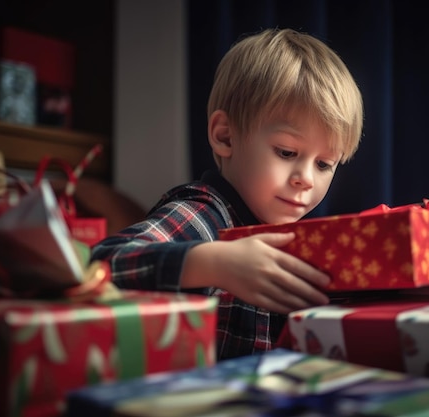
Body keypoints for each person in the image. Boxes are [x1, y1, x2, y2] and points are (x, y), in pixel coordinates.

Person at [91, 28, 364, 360]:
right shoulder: (205, 215)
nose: (306, 179)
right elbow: (100, 265)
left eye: (324, 164)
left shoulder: (302, 236)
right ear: (225, 137)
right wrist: (213, 262)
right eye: (287, 153)